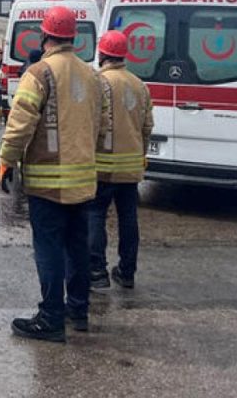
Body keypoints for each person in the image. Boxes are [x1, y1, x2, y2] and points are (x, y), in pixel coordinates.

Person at [0, 5, 105, 342]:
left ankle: (51, 317)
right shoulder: (93, 76)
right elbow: (100, 126)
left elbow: (19, 126)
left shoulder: (39, 73)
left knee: (48, 248)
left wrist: (6, 161)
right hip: (84, 181)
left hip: (47, 183)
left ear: (45, 35)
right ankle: (78, 310)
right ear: (73, 37)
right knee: (77, 247)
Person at [87, 31, 153, 291]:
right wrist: (140, 154)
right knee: (128, 218)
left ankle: (97, 272)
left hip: (101, 164)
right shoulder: (140, 85)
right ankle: (127, 272)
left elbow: (90, 124)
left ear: (102, 54)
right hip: (131, 166)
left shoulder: (97, 82)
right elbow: (147, 126)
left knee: (95, 215)